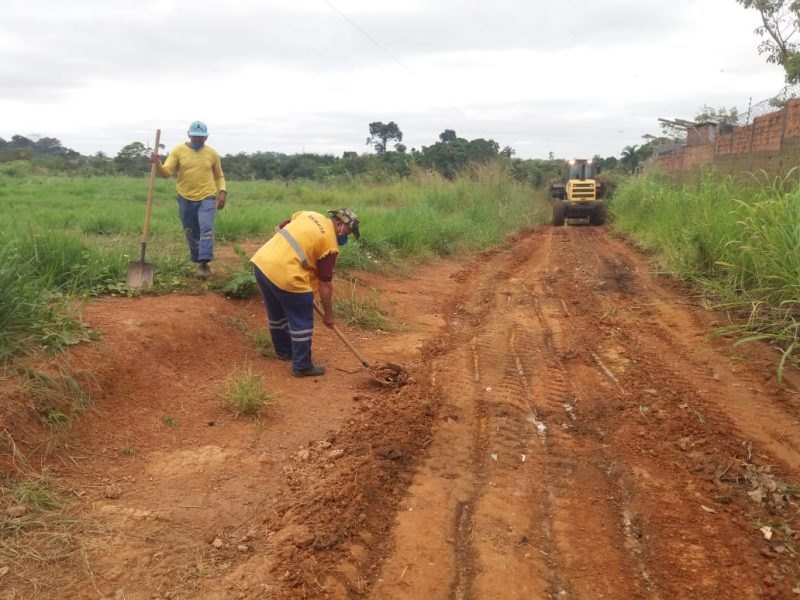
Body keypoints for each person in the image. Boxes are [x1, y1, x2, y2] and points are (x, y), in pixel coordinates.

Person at [250, 208, 360, 377]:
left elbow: (279, 229)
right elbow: (325, 285)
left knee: (276, 314)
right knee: (301, 321)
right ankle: (302, 366)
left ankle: (284, 351)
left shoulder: (309, 214)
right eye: (348, 231)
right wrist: (328, 315)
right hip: (287, 275)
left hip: (262, 264)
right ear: (339, 223)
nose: (347, 236)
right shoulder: (329, 243)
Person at [151, 121, 227, 278]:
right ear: (189, 135)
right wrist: (157, 162)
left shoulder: (212, 154)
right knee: (191, 231)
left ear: (206, 137)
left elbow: (219, 176)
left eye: (201, 137)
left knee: (206, 228)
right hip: (185, 197)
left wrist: (222, 192)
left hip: (207, 196)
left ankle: (203, 264)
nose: (198, 140)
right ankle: (197, 258)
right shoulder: (178, 151)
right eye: (195, 137)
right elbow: (166, 173)